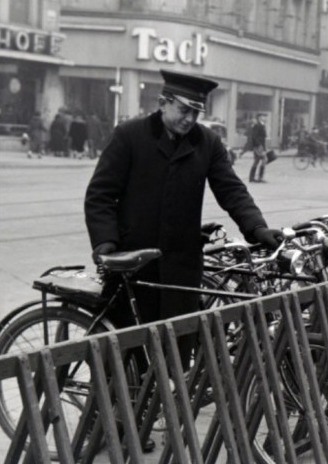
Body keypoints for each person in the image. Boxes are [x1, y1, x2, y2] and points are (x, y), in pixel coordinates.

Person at [84, 69, 283, 386]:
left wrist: (257, 229)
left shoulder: (207, 143)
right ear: (163, 103)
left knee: (174, 361)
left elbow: (232, 191)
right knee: (123, 360)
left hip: (181, 268)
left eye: (196, 112)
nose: (190, 119)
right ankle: (109, 428)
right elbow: (100, 195)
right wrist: (107, 244)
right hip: (134, 266)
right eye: (184, 110)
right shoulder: (129, 136)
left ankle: (161, 423)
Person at [248, 113, 268, 183]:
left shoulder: (262, 125)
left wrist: (264, 148)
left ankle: (252, 178)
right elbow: (254, 137)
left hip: (260, 146)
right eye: (263, 116)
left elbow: (263, 138)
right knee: (264, 159)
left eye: (265, 117)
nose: (265, 118)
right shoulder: (257, 125)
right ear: (259, 118)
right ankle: (260, 178)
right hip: (258, 146)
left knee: (256, 161)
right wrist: (259, 146)